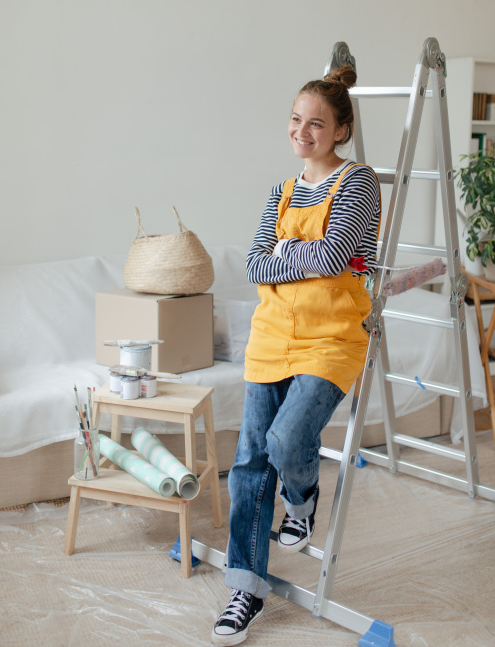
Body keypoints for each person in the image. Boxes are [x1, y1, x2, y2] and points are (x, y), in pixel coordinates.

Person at [212, 65, 381, 646]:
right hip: (270, 337)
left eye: (316, 124)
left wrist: (287, 250)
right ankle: (245, 589)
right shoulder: (279, 193)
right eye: (295, 120)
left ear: (340, 131)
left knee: (286, 443)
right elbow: (253, 265)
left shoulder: (359, 183)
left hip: (331, 339)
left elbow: (335, 258)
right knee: (249, 468)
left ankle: (303, 498)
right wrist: (294, 254)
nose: (302, 132)